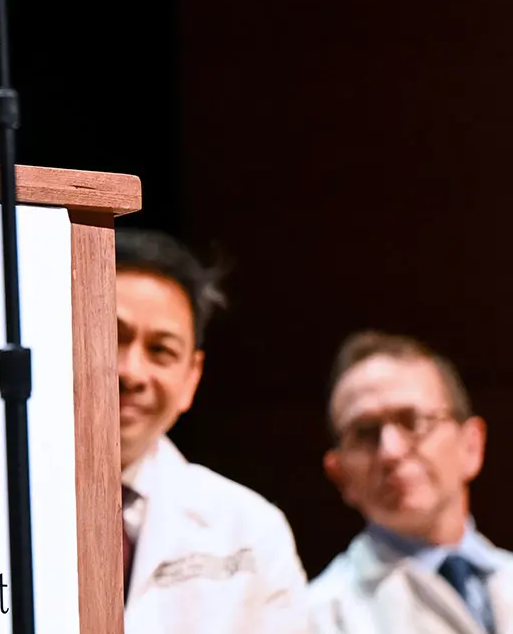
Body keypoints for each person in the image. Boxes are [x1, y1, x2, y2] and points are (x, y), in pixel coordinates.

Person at [113, 229, 307, 633]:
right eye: (112, 338)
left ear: (191, 378)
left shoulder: (252, 529)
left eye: (160, 350)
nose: (131, 372)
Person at [309, 331, 508, 633]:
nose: (390, 451)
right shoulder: (318, 616)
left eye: (412, 421)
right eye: (364, 433)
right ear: (340, 476)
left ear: (471, 446)